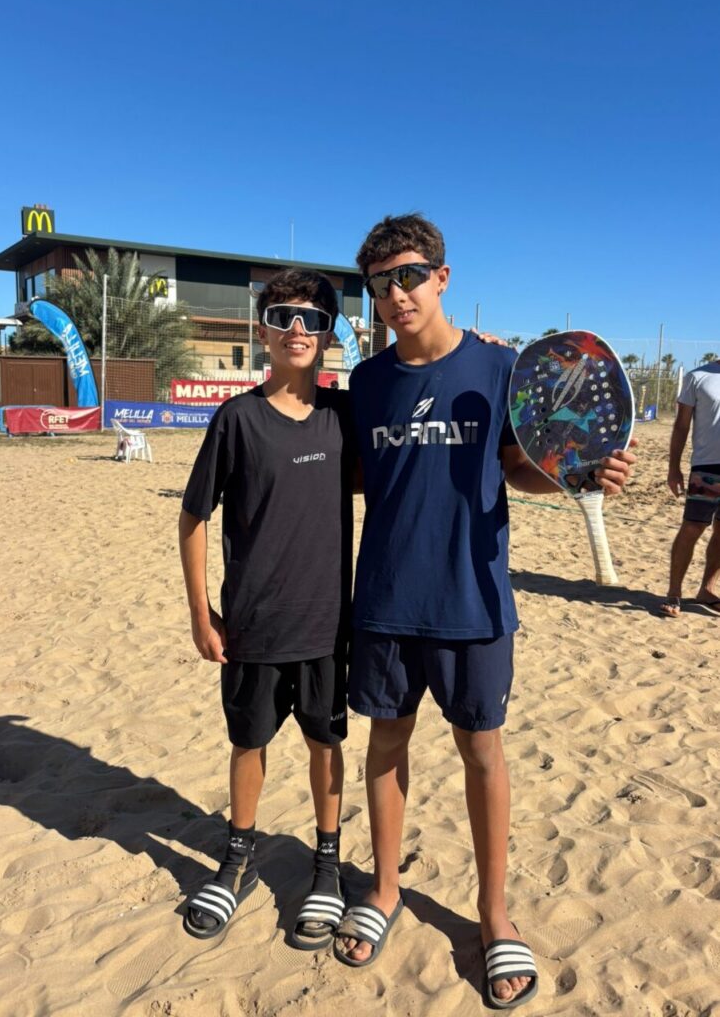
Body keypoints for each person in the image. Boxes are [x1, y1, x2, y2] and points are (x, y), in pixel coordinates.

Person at [334, 214, 636, 1009]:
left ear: (442, 277)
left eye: (408, 275)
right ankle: (388, 888)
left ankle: (495, 913)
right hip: (387, 600)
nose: (395, 294)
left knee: (482, 755)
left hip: (473, 598)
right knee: (386, 746)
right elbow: (359, 477)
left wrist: (581, 474)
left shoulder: (499, 370)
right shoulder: (367, 382)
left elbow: (523, 469)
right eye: (379, 283)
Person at [178, 268, 355, 949]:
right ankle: (240, 856)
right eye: (283, 316)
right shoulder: (237, 419)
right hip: (251, 625)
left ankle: (327, 865)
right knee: (248, 743)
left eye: (312, 319)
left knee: (326, 744)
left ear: (330, 333)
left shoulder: (343, 416)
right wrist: (201, 613)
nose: (298, 330)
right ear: (263, 331)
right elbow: (193, 519)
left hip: (325, 628)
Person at [660, 356, 720, 617]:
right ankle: (674, 591)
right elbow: (681, 426)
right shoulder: (698, 377)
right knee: (693, 527)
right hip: (706, 467)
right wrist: (674, 467)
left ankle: (707, 589)